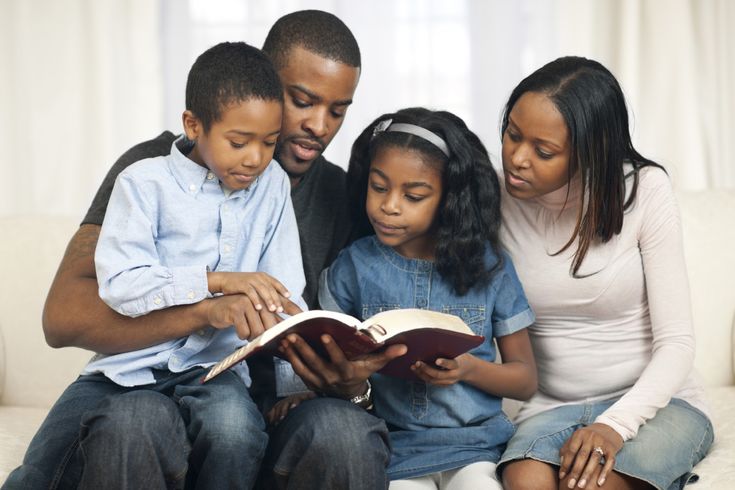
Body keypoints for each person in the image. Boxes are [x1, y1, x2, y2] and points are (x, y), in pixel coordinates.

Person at [6, 10, 399, 490]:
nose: (319, 125)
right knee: (123, 427)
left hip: (267, 407)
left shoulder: (344, 195)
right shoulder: (151, 172)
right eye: (302, 100)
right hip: (150, 387)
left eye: (338, 110)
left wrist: (352, 384)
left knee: (343, 434)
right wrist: (208, 309)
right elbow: (64, 317)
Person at [496, 56, 713, 490]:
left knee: (588, 486)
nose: (517, 159)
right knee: (526, 483)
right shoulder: (493, 193)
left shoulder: (644, 190)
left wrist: (615, 425)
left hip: (657, 403)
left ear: (590, 151)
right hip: (550, 404)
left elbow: (678, 343)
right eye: (512, 134)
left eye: (544, 151)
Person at [311, 107, 538, 489]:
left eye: (413, 195)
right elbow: (327, 358)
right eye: (379, 187)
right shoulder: (354, 265)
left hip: (475, 448)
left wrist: (469, 370)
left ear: (449, 200)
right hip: (393, 450)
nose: (390, 206)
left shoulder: (490, 267)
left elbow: (525, 379)